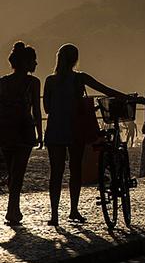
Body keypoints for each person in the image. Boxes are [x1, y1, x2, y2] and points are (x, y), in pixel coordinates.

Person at [42, 43, 130, 226]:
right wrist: (128, 97)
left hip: (55, 129)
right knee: (75, 170)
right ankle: (73, 210)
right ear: (75, 60)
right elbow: (105, 90)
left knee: (56, 173)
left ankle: (54, 215)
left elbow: (47, 108)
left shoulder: (50, 80)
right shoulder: (80, 78)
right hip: (75, 128)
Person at [0, 42, 43, 226]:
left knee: (11, 171)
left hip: (5, 130)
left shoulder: (3, 82)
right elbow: (37, 111)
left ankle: (14, 209)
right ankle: (12, 210)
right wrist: (40, 133)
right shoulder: (33, 82)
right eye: (34, 60)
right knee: (18, 173)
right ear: (26, 62)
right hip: (24, 129)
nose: (36, 64)